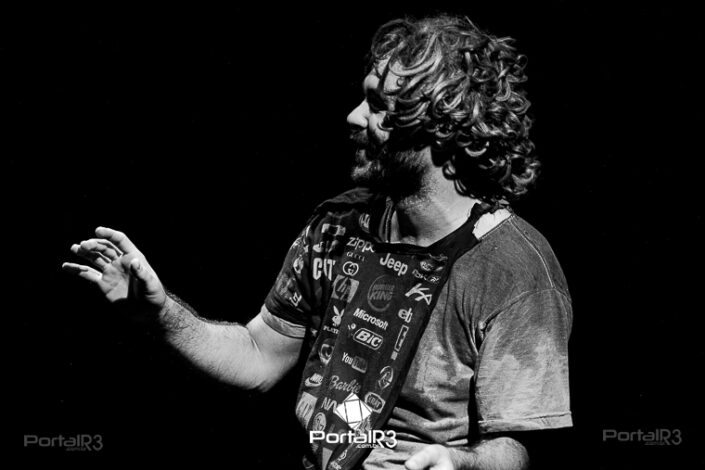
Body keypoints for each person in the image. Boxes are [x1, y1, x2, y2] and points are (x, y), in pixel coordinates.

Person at [63, 14, 572, 470]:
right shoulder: (337, 226)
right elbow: (260, 356)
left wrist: (458, 463)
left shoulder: (514, 269)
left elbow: (522, 447)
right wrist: (161, 314)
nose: (354, 116)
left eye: (378, 106)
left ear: (441, 128)